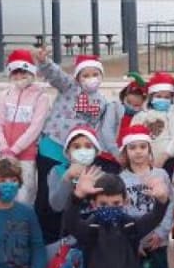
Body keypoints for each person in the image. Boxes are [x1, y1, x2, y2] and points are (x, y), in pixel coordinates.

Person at [35, 48, 122, 244]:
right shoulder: (70, 87)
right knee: (47, 197)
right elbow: (54, 75)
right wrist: (44, 61)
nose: (90, 78)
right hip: (53, 148)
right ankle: (44, 240)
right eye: (86, 75)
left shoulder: (101, 101)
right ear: (78, 76)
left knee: (72, 197)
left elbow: (97, 130)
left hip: (78, 154)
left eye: (95, 74)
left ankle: (69, 236)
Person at [119, 125, 174, 268]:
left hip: (157, 237)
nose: (138, 152)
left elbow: (169, 204)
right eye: (132, 147)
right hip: (133, 237)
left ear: (149, 149)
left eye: (143, 147)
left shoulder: (161, 175)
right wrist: (131, 240)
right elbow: (121, 213)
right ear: (126, 151)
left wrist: (162, 232)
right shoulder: (120, 179)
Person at [0, 50, 49, 205]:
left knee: (25, 195)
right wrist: (4, 148)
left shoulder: (41, 97)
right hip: (5, 155)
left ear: (31, 72)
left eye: (23, 73)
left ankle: (24, 226)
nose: (19, 77)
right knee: (4, 194)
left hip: (27, 156)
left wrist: (15, 150)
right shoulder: (4, 95)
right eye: (15, 73)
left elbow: (35, 128)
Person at [134, 72, 174, 173]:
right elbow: (133, 136)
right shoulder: (141, 115)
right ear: (151, 97)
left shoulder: (173, 114)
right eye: (159, 96)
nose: (163, 99)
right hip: (144, 160)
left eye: (167, 97)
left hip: (168, 160)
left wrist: (166, 155)